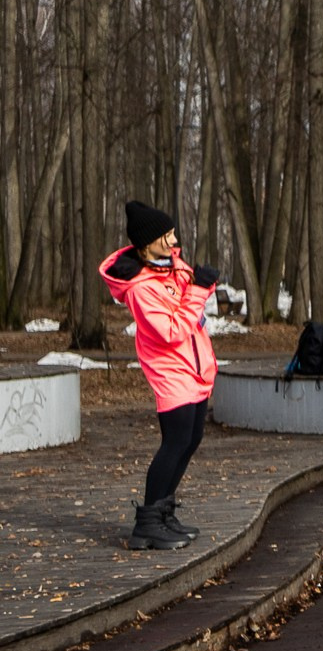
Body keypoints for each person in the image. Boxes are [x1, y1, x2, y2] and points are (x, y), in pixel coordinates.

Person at [102, 202, 221, 552]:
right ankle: (147, 526)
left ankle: (164, 512)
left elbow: (188, 302)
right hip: (172, 372)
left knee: (191, 439)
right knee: (174, 443)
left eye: (172, 233)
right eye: (166, 236)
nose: (174, 241)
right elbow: (171, 330)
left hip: (195, 367)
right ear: (146, 243)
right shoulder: (141, 288)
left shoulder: (171, 265)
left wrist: (201, 284)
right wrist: (199, 290)